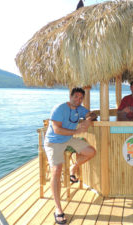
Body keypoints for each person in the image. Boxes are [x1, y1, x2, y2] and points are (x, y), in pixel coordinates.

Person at [44, 87, 96, 224]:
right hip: (54, 141)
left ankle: (74, 167)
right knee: (56, 171)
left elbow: (93, 114)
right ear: (70, 96)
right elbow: (57, 129)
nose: (78, 100)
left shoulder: (80, 109)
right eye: (76, 97)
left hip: (68, 139)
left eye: (80, 98)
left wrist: (88, 119)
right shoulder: (60, 108)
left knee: (91, 152)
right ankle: (58, 209)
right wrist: (78, 130)